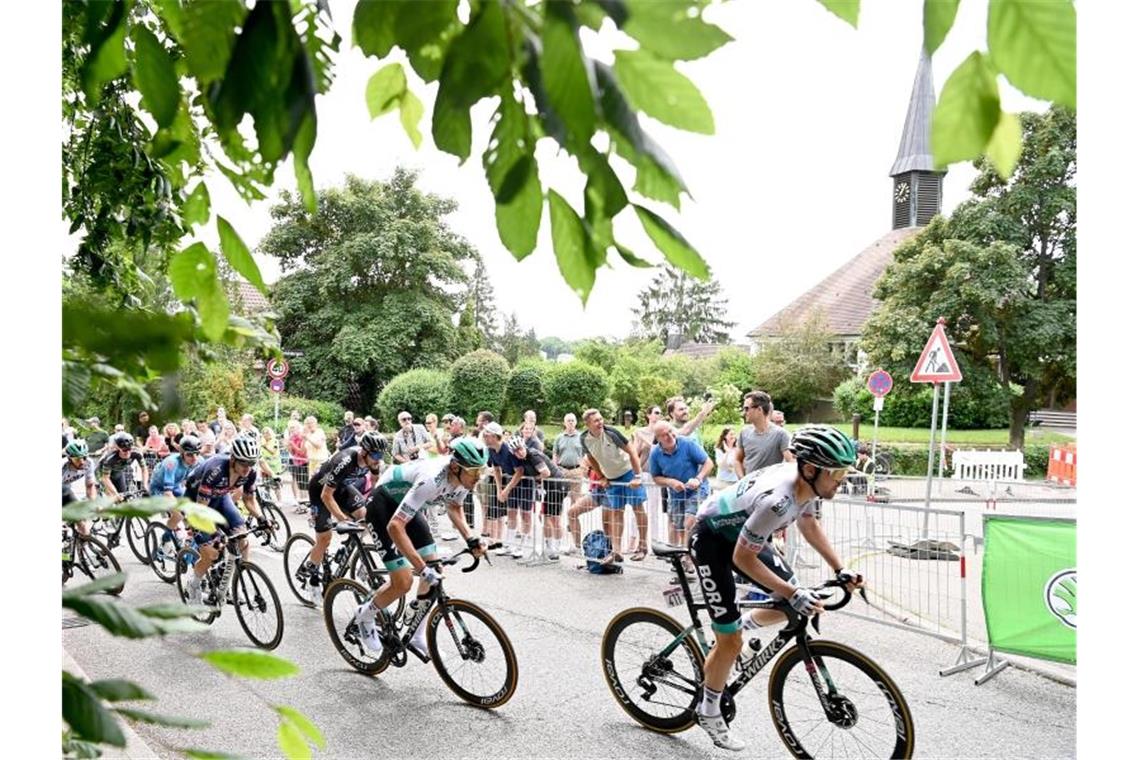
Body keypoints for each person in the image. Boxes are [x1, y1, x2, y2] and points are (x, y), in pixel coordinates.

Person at [688, 425, 863, 751]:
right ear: (811, 469)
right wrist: (792, 592)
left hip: (744, 534)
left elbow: (809, 523)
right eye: (837, 472)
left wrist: (841, 569)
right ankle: (708, 710)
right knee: (732, 639)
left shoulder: (806, 486)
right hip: (712, 540)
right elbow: (742, 559)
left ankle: (742, 630)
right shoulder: (779, 500)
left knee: (792, 599)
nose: (842, 479)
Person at [352, 440, 488, 656]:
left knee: (435, 570)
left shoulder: (463, 480)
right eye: (474, 471)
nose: (479, 476)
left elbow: (454, 506)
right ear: (455, 466)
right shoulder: (431, 480)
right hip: (383, 504)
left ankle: (416, 636)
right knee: (404, 581)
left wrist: (470, 539)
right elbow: (395, 527)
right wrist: (421, 568)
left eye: (482, 470)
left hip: (409, 506)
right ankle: (365, 615)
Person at [294, 431, 387, 600]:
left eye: (381, 455)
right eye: (375, 454)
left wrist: (375, 505)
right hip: (320, 491)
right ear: (364, 451)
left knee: (365, 517)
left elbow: (375, 482)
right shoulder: (345, 461)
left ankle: (356, 556)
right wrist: (343, 520)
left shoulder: (373, 461)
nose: (378, 459)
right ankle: (311, 570)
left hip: (342, 488)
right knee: (325, 538)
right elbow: (326, 496)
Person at [181, 436, 267, 607]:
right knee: (212, 553)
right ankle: (193, 583)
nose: (247, 469)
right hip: (196, 505)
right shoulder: (216, 469)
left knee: (242, 541)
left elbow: (249, 499)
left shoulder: (250, 472)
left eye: (251, 464)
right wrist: (216, 534)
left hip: (220, 498)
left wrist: (262, 518)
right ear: (233, 459)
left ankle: (231, 584)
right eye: (243, 464)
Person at [579, 408, 648, 564]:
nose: (600, 422)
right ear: (588, 424)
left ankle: (643, 546)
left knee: (638, 508)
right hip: (611, 478)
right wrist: (601, 476)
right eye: (596, 420)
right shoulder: (584, 439)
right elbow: (591, 459)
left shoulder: (611, 433)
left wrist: (638, 476)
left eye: (601, 419)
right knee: (616, 512)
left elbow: (632, 452)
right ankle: (616, 551)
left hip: (628, 472)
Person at [649, 421, 713, 555]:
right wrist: (670, 482)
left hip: (696, 490)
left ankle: (689, 558)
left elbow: (708, 462)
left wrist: (698, 478)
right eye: (664, 435)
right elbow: (656, 477)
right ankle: (678, 556)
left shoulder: (687, 443)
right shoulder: (655, 454)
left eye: (671, 431)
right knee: (676, 525)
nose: (670, 436)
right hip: (677, 493)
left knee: (689, 522)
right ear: (658, 439)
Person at [502, 435, 568, 560]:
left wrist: (535, 479)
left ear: (524, 446)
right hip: (547, 487)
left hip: (557, 485)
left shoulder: (533, 455)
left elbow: (546, 473)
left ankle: (556, 548)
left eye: (520, 448)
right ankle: (549, 547)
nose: (519, 452)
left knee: (554, 518)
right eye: (516, 451)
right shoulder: (523, 458)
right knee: (544, 516)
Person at [148, 435, 203, 557]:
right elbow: (168, 493)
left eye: (197, 453)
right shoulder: (171, 463)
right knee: (178, 514)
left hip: (176, 486)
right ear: (182, 453)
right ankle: (165, 540)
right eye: (189, 454)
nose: (194, 458)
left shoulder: (198, 460)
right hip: (159, 489)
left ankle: (186, 534)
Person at [735, 390, 793, 477]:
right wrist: (742, 481)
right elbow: (737, 460)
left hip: (769, 488)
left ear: (759, 409)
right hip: (749, 488)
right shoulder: (744, 433)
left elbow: (792, 463)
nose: (744, 412)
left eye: (747, 408)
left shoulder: (780, 434)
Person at [481, 423, 516, 555]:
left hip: (519, 480)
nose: (484, 436)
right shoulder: (491, 449)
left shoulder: (507, 449)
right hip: (506, 481)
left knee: (514, 513)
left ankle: (512, 544)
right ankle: (499, 541)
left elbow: (519, 471)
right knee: (498, 510)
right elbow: (496, 469)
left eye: (487, 434)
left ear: (495, 436)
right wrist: (498, 489)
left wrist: (506, 489)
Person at [98, 432, 149, 501]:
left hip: (118, 473)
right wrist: (115, 494)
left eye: (129, 449)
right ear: (118, 448)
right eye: (124, 450)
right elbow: (105, 478)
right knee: (111, 498)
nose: (128, 453)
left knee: (124, 499)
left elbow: (144, 468)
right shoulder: (110, 459)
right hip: (103, 475)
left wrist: (145, 484)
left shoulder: (137, 453)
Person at [553, 413, 585, 495]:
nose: (570, 422)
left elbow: (586, 454)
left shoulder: (582, 437)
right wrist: (555, 469)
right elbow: (555, 454)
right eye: (568, 421)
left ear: (576, 422)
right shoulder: (559, 438)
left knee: (576, 499)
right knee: (559, 497)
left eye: (572, 420)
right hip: (562, 471)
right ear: (564, 423)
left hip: (576, 471)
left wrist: (583, 469)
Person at [286, 418, 308, 509]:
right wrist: (288, 446)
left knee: (304, 483)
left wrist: (292, 444)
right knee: (297, 481)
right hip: (296, 461)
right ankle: (299, 501)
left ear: (298, 427)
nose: (292, 430)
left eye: (293, 427)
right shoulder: (291, 437)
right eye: (290, 428)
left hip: (304, 461)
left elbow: (302, 452)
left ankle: (304, 502)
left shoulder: (302, 437)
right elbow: (292, 452)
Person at [303, 415, 330, 482]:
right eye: (308, 423)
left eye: (311, 423)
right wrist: (303, 438)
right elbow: (303, 450)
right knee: (311, 483)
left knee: (319, 482)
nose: (310, 425)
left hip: (321, 461)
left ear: (316, 424)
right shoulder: (307, 434)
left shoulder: (320, 432)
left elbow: (319, 446)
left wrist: (307, 438)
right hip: (312, 461)